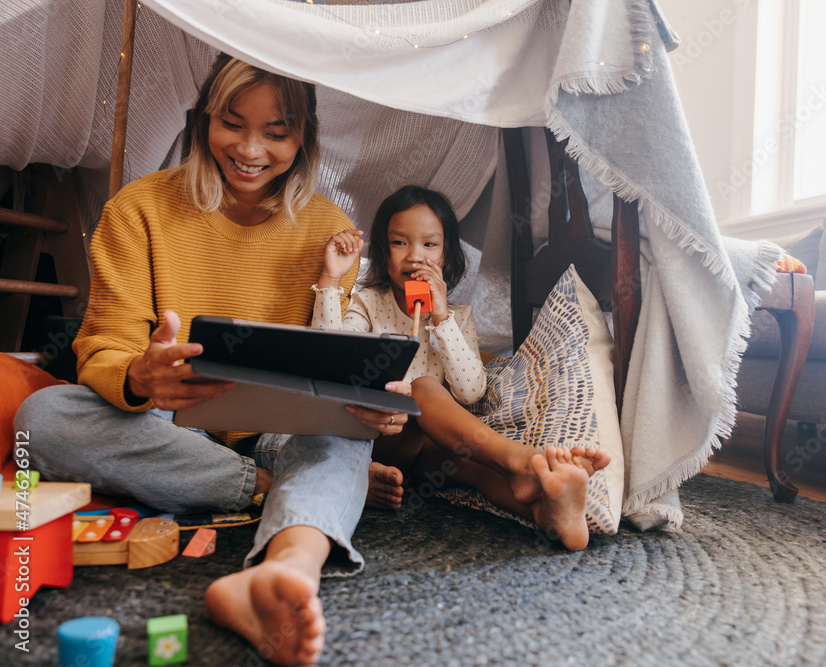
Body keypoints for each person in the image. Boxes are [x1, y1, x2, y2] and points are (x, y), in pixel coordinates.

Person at [13, 54, 401, 666]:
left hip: (278, 430)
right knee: (42, 416)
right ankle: (277, 494)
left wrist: (370, 400)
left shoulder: (331, 230)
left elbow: (328, 361)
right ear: (203, 122)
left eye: (277, 132)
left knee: (342, 437)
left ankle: (282, 572)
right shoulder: (137, 209)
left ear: (304, 139)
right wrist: (139, 375)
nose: (250, 150)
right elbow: (102, 345)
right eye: (232, 123)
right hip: (165, 428)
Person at [311, 185, 611, 551]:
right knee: (422, 387)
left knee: (468, 466)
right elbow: (330, 361)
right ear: (383, 254)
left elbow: (471, 391)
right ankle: (520, 459)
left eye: (430, 245)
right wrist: (330, 280)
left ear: (448, 258)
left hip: (425, 458)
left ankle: (549, 513)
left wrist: (441, 317)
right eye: (399, 243)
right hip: (377, 443)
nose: (414, 257)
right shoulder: (368, 303)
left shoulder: (456, 318)